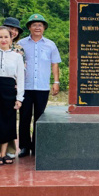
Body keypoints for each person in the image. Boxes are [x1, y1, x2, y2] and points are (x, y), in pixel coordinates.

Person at [17, 14, 61, 157]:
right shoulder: (21, 44)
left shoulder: (50, 44)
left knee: (39, 117)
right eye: (34, 25)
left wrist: (56, 82)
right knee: (24, 117)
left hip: (42, 87)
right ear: (29, 27)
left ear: (44, 28)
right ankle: (24, 146)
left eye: (40, 25)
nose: (37, 27)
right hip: (25, 86)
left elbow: (54, 64)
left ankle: (37, 146)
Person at [0, 17, 25, 158]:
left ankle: (6, 152)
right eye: (0, 37)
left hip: (9, 91)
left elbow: (20, 78)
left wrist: (19, 98)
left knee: (8, 121)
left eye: (6, 37)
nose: (3, 39)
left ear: (11, 38)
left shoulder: (17, 55)